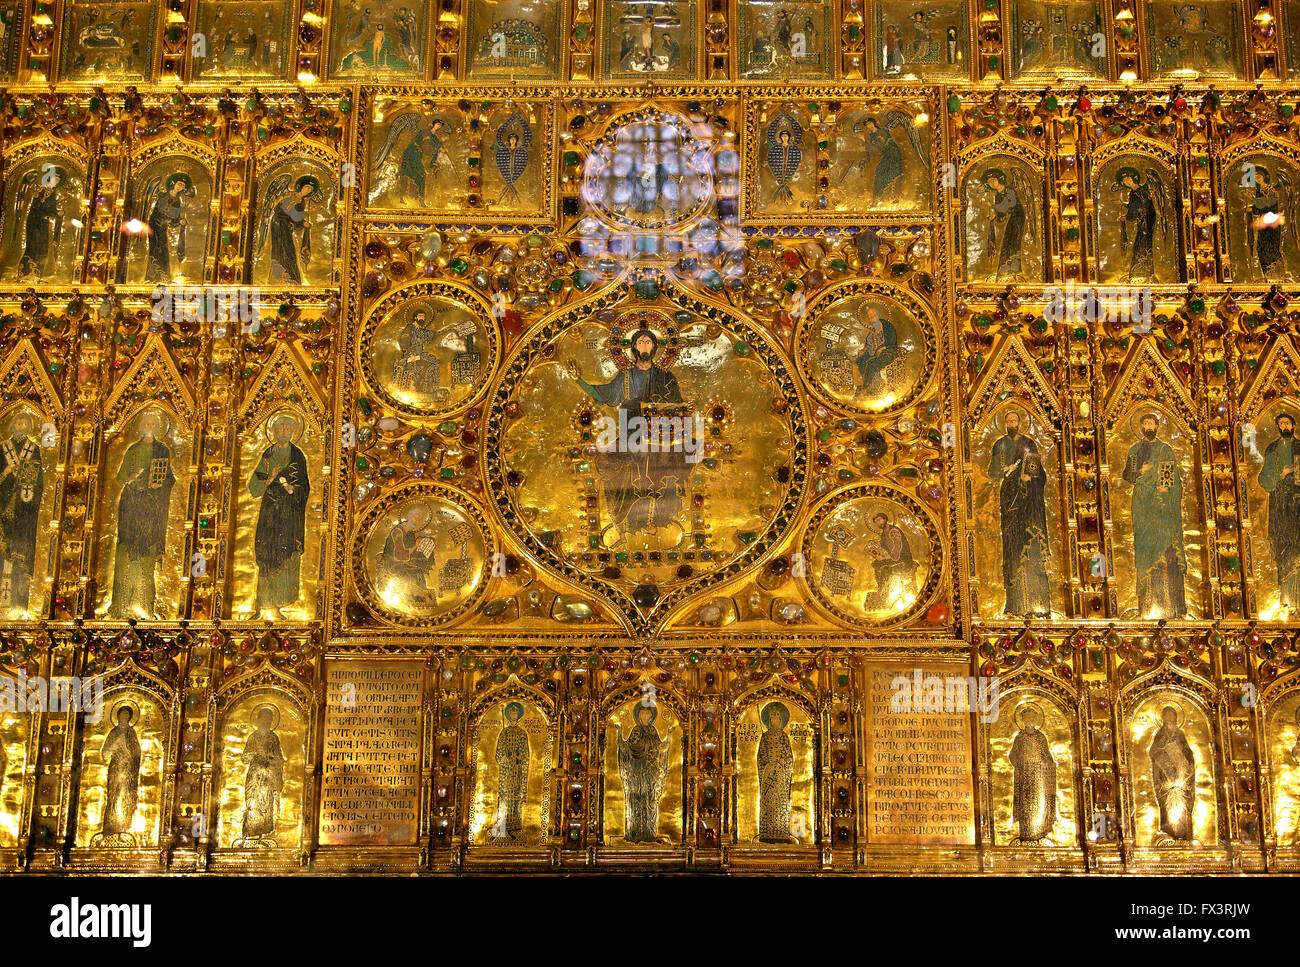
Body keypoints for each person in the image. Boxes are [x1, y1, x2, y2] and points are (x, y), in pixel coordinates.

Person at [1120, 413, 1186, 618]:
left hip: (1162, 504)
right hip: (1143, 504)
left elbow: (1169, 475)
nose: (1148, 426)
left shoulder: (1164, 449)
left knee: (1167, 549)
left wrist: (1163, 491)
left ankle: (1174, 607)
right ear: (1141, 426)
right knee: (1146, 550)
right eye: (1145, 423)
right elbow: (1128, 475)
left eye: (1151, 423)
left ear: (1157, 426)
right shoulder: (1135, 449)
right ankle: (1148, 606)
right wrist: (1141, 470)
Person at [110, 412, 175, 619]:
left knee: (147, 550)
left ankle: (145, 606)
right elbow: (121, 477)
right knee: (126, 550)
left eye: (152, 424)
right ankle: (120, 607)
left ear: (157, 428)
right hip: (131, 505)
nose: (149, 426)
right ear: (141, 427)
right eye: (146, 423)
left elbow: (169, 478)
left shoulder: (162, 449)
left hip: (151, 506)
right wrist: (132, 477)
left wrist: (159, 484)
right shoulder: (133, 450)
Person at [987, 410, 1051, 617]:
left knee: (1030, 540)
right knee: (1013, 544)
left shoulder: (1028, 443)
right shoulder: (1000, 445)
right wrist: (1004, 469)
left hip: (1030, 499)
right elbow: (993, 471)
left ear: (1020, 423)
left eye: (1015, 420)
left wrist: (1028, 477)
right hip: (1010, 497)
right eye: (1009, 421)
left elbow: (1036, 469)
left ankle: (1038, 603)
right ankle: (1015, 604)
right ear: (1005, 423)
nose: (1012, 423)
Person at [249, 415, 310, 618]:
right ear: (275, 432)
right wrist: (270, 479)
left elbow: (305, 486)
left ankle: (278, 605)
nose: (284, 432)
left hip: (290, 514)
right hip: (270, 513)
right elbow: (254, 486)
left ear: (292, 432)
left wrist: (294, 489)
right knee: (267, 554)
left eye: (287, 429)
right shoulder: (268, 455)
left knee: (285, 554)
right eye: (281, 429)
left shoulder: (297, 455)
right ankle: (262, 605)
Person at [0, 411, 43, 613]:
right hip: (3, 508)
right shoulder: (3, 449)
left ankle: (18, 604)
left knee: (19, 556)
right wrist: (6, 473)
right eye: (18, 421)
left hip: (23, 513)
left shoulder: (33, 450)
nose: (21, 424)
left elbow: (38, 483)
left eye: (25, 422)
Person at [1259, 412, 1300, 610]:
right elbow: (1264, 479)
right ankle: (1287, 601)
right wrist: (1281, 473)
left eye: (1287, 423)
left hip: (1298, 505)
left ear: (1293, 425)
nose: (1285, 426)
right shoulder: (1273, 449)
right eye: (1281, 423)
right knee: (1285, 549)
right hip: (1281, 507)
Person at [615, 703, 670, 842]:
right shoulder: (636, 730)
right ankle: (634, 834)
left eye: (647, 714)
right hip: (636, 772)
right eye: (643, 714)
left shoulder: (652, 731)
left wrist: (668, 738)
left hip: (650, 772)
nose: (645, 716)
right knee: (636, 800)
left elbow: (660, 747)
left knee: (649, 800)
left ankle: (649, 834)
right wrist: (620, 734)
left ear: (651, 717)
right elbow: (628, 747)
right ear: (638, 716)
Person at [1009, 704, 1056, 842]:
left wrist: (1045, 765)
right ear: (1023, 720)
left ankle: (1039, 832)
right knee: (1025, 806)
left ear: (1035, 720)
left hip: (1038, 777)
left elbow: (1047, 756)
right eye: (1027, 717)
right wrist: (1022, 763)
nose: (1029, 720)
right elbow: (1013, 755)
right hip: (1024, 776)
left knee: (1038, 804)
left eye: (1032, 717)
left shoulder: (1040, 737)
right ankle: (1026, 833)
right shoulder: (1020, 738)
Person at [1148, 706, 1196, 841]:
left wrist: (1182, 759)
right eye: (1167, 716)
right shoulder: (1160, 735)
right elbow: (1153, 752)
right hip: (1165, 778)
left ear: (1175, 718)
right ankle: (1168, 832)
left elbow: (1189, 755)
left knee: (1182, 803)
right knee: (1167, 804)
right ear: (1163, 718)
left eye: (1171, 716)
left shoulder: (1180, 734)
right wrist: (1164, 750)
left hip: (1181, 778)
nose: (1169, 718)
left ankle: (1183, 833)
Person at [241, 705, 285, 841]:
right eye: (264, 718)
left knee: (265, 804)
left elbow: (279, 757)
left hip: (267, 776)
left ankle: (262, 836)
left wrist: (271, 758)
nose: (266, 721)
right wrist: (255, 756)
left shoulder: (273, 738)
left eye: (269, 719)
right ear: (258, 719)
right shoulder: (252, 737)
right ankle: (249, 833)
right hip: (254, 775)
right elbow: (244, 757)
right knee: (252, 801)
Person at [101, 703, 142, 841]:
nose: (124, 717)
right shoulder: (113, 733)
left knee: (125, 796)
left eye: (127, 715)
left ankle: (123, 829)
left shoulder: (131, 733)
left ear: (130, 717)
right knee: (113, 796)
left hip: (127, 770)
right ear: (118, 716)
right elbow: (105, 753)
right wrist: (115, 747)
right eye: (122, 714)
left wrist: (129, 757)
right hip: (115, 769)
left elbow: (137, 754)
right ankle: (110, 829)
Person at [757, 702, 794, 843]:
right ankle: (766, 831)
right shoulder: (765, 737)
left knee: (780, 801)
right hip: (768, 773)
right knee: (768, 802)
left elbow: (788, 756)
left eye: (777, 717)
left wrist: (782, 762)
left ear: (782, 720)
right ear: (769, 720)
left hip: (780, 774)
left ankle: (781, 831)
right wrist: (768, 764)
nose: (775, 720)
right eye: (772, 717)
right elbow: (761, 755)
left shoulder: (784, 737)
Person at [494, 702, 529, 839]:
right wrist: (503, 756)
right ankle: (502, 826)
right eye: (511, 713)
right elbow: (499, 751)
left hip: (517, 770)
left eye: (516, 713)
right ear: (509, 715)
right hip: (506, 772)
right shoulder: (504, 732)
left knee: (515, 798)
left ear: (518, 715)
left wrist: (519, 756)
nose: (513, 715)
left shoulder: (522, 733)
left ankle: (514, 827)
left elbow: (525, 752)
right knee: (504, 797)